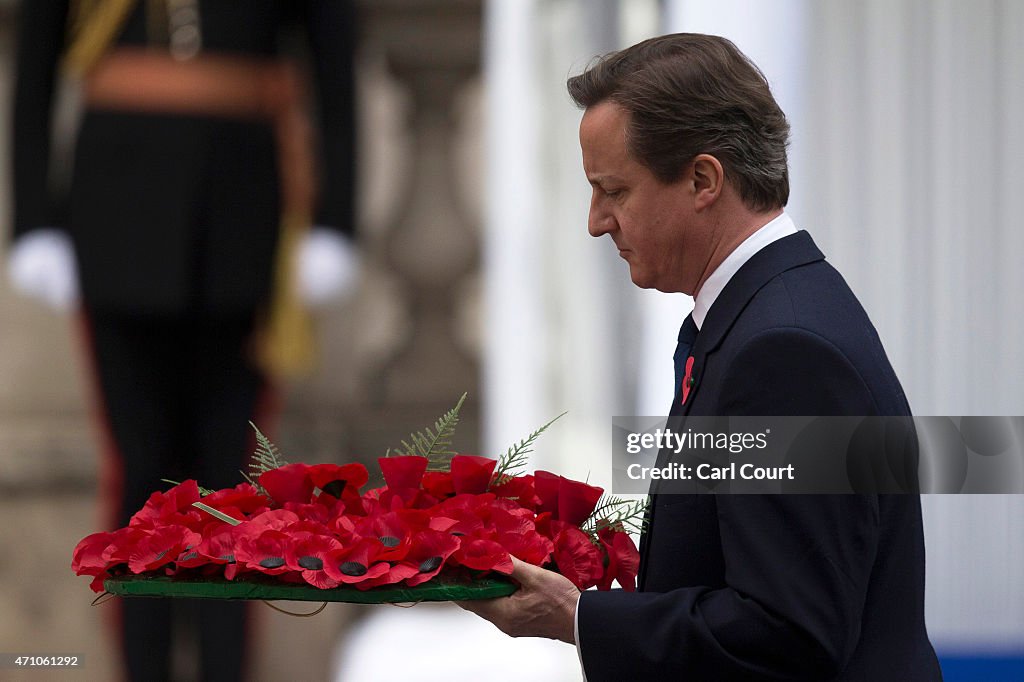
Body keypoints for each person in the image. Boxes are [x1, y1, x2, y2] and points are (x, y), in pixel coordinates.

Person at [460, 34, 942, 680]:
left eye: (614, 190)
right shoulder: (766, 310)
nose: (596, 221)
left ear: (702, 180)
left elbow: (784, 634)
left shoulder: (784, 350)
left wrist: (576, 616)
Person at [8, 2, 358, 680]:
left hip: (244, 222)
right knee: (138, 473)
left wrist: (334, 220)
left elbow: (334, 60)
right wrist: (32, 220)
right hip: (113, 218)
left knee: (231, 485)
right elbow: (35, 66)